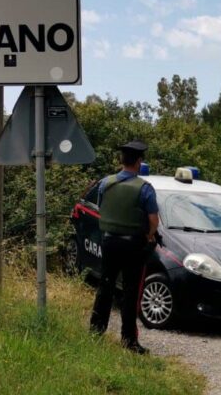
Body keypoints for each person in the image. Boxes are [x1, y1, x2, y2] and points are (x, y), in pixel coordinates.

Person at [89, 140, 159, 354]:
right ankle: (129, 340)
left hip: (109, 242)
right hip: (133, 245)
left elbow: (102, 208)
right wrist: (149, 236)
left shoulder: (105, 183)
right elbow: (153, 220)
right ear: (139, 162)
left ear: (121, 161)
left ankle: (95, 332)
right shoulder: (145, 189)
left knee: (105, 286)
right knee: (131, 292)